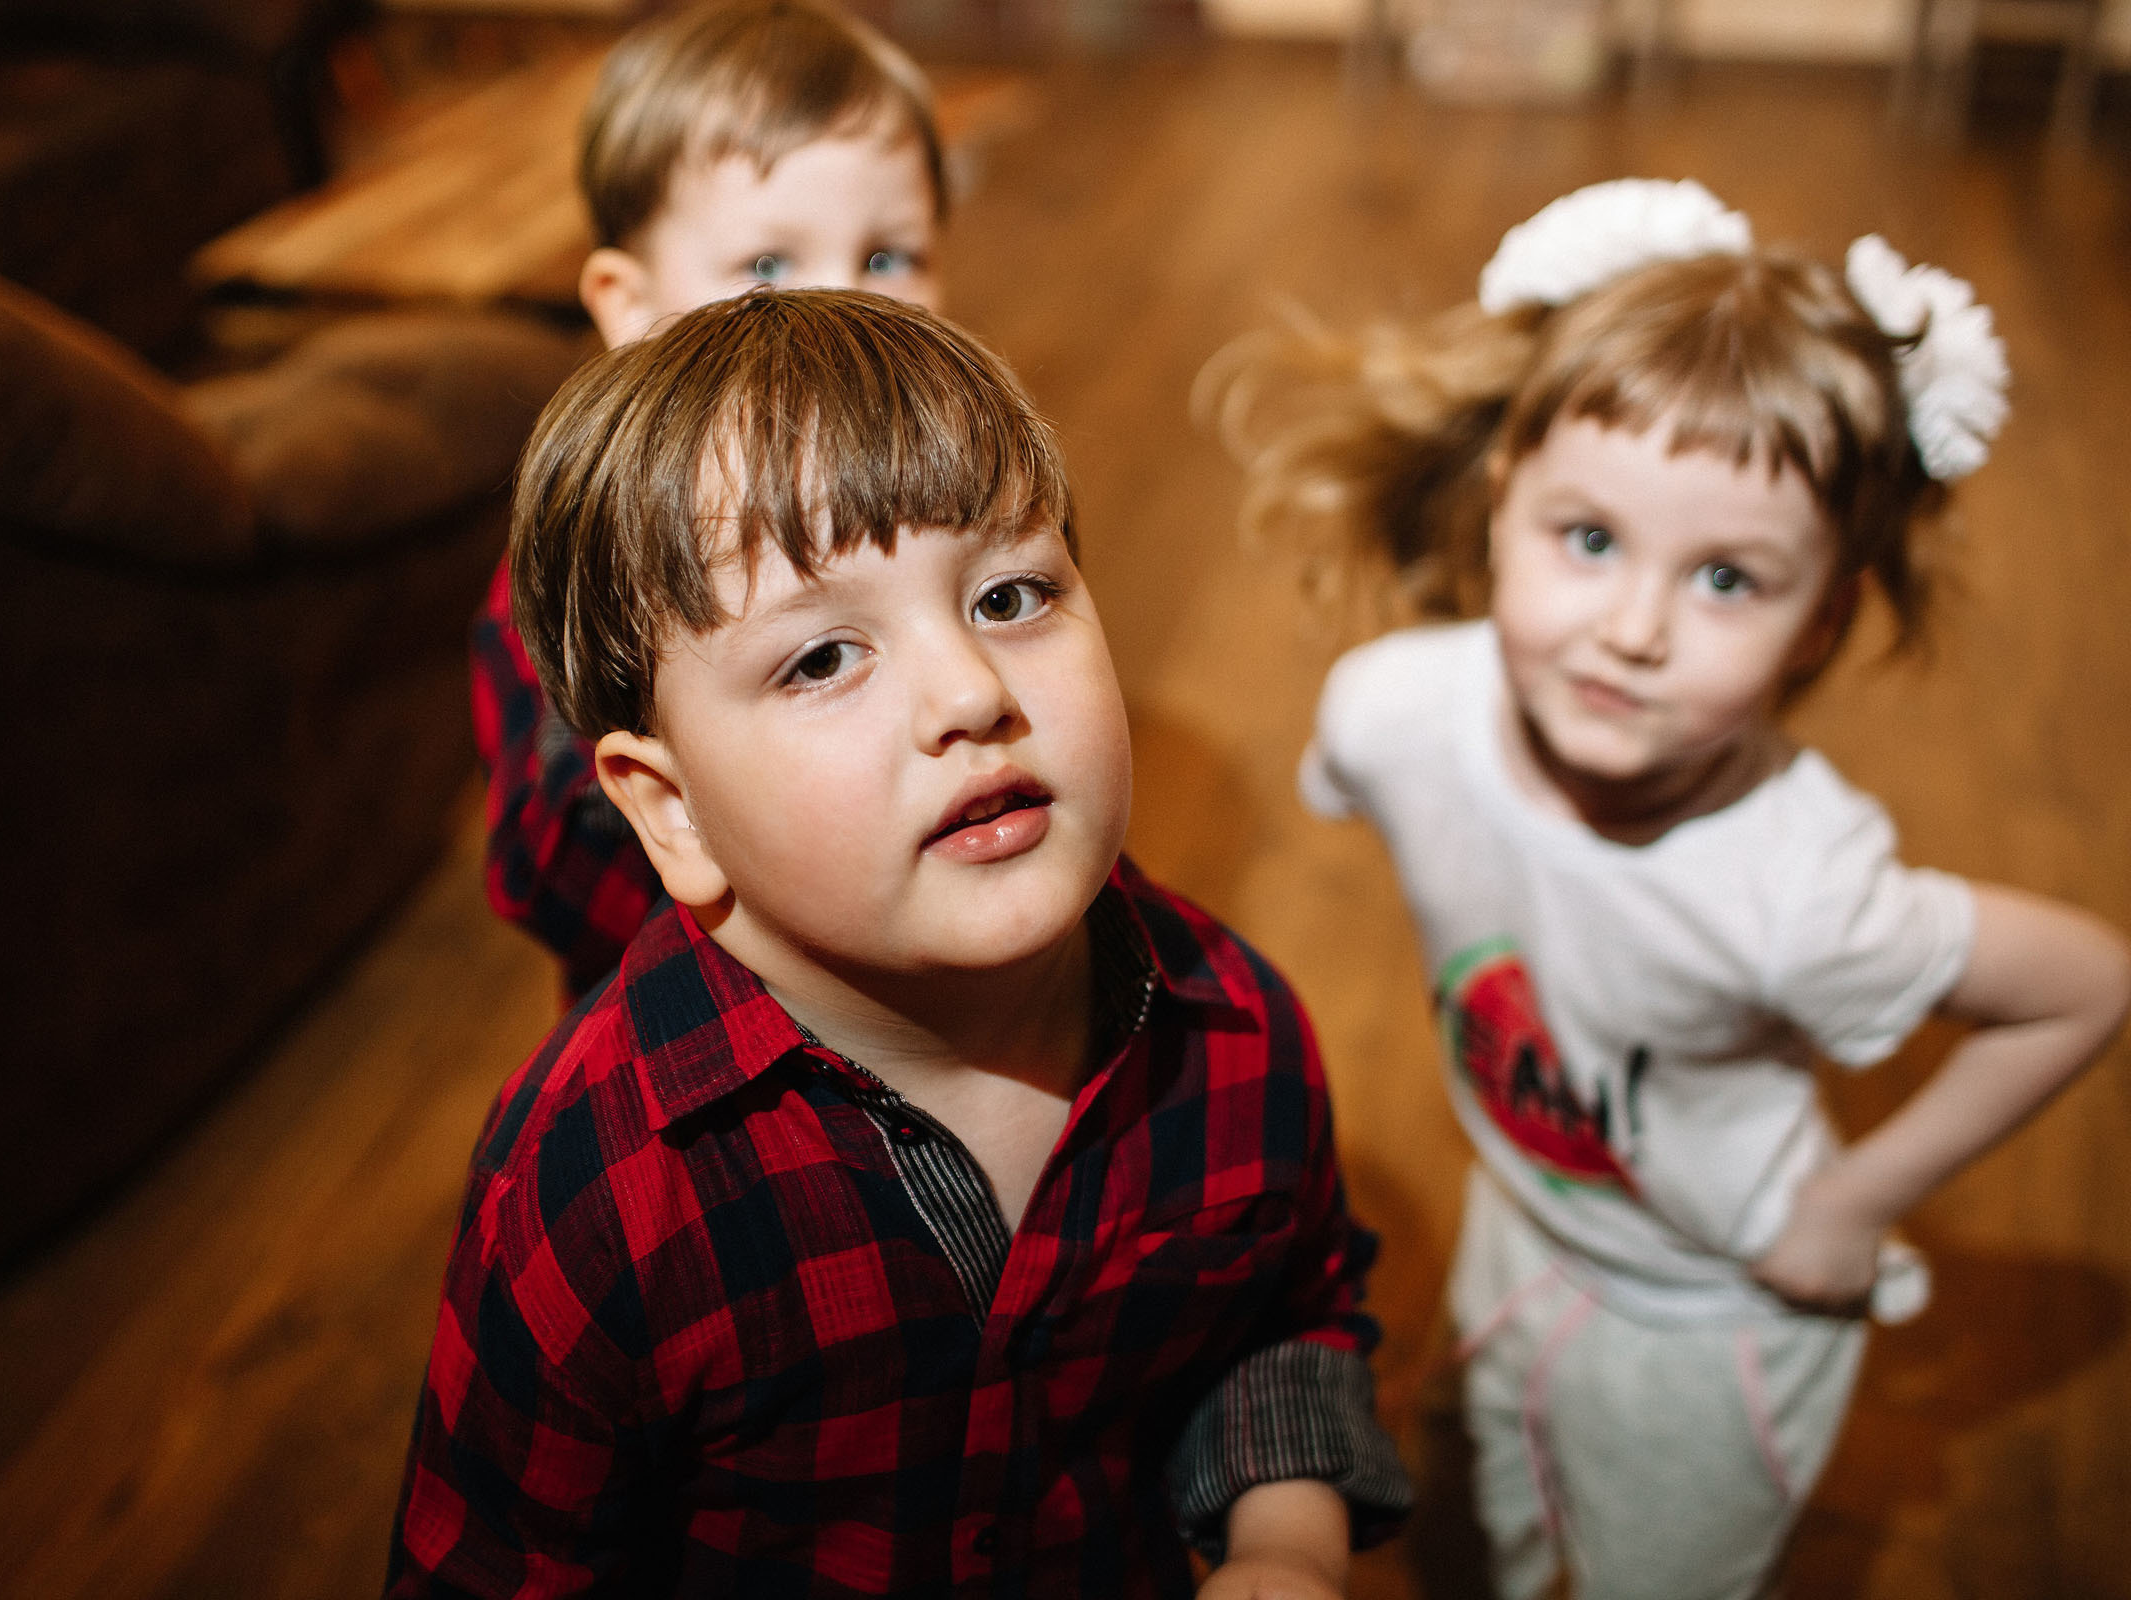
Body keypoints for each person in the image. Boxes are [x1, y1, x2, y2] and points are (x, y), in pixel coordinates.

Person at [388, 289, 1412, 1597]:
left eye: (1009, 594)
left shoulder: (1234, 1034)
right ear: (673, 810)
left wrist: (1285, 1542)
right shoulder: (598, 1185)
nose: (971, 693)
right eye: (820, 658)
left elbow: (1283, 1317)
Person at [1203, 178, 2131, 1599]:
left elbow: (2085, 985)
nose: (1632, 629)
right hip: (1520, 1225)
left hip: (1716, 1323)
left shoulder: (1800, 888)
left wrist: (1853, 1205)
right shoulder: (1391, 716)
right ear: (1506, 502)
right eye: (1590, 540)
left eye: (1725, 579)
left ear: (1823, 615)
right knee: (1461, 1542)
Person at [471, 0, 947, 996]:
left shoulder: (950, 507)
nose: (843, 309)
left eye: (887, 257)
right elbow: (546, 863)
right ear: (630, 307)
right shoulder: (579, 577)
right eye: (767, 266)